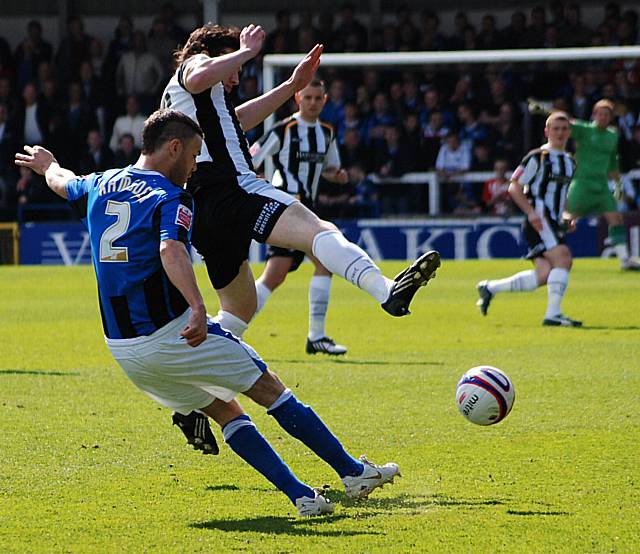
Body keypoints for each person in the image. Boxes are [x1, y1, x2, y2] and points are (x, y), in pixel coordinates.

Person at [15, 108, 401, 517]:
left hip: (124, 350)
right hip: (171, 333)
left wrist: (48, 165)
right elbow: (170, 249)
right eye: (195, 154)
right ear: (174, 147)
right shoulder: (169, 195)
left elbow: (63, 182)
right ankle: (354, 472)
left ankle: (303, 497)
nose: (195, 167)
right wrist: (199, 307)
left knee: (224, 409)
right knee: (270, 388)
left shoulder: (100, 183)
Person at [160, 23, 440, 342]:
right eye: (234, 66)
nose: (237, 77)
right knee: (319, 232)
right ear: (210, 53)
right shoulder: (194, 64)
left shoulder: (188, 101)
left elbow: (235, 122)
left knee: (240, 308)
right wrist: (247, 51)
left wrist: (291, 85)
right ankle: (387, 290)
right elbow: (197, 75)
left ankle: (193, 373)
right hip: (230, 186)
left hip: (201, 208)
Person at [250, 79, 350, 355]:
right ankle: (315, 336)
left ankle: (231, 328)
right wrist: (260, 185)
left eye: (318, 98)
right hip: (288, 209)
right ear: (297, 98)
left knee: (277, 275)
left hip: (310, 210)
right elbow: (249, 159)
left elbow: (331, 168)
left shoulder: (327, 132)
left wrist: (337, 176)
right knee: (322, 260)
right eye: (308, 98)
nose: (313, 103)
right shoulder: (283, 130)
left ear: (325, 100)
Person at [476, 111, 582, 327]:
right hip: (539, 219)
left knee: (544, 274)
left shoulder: (570, 161)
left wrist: (567, 214)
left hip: (552, 220)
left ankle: (489, 288)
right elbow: (514, 185)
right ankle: (553, 314)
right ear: (546, 131)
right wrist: (531, 212)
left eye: (564, 129)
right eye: (555, 129)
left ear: (569, 132)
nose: (560, 133)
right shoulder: (537, 157)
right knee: (563, 259)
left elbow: (562, 194)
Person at [529, 98, 640, 270]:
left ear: (610, 117)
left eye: (606, 114)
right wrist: (545, 110)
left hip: (602, 186)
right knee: (565, 220)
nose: (603, 117)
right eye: (600, 114)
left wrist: (617, 184)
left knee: (616, 218)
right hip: (582, 184)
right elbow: (565, 122)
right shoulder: (585, 130)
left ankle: (625, 260)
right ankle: (546, 251)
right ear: (594, 115)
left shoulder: (612, 135)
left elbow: (612, 161)